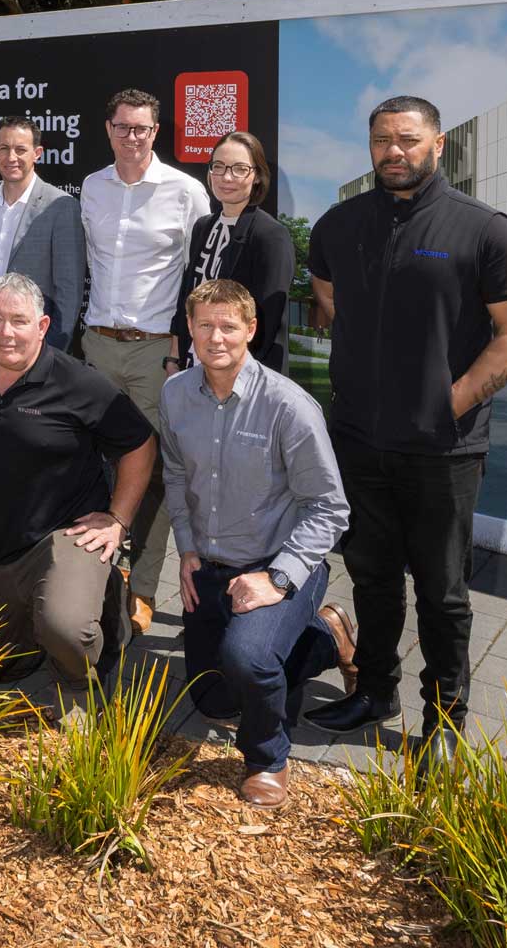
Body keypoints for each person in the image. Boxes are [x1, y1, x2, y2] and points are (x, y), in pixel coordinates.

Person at [303, 95, 507, 772]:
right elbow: (329, 298)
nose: (394, 151)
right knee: (371, 576)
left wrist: (449, 402)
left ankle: (445, 720)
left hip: (444, 449)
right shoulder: (339, 224)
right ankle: (374, 691)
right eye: (382, 139)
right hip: (359, 440)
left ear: (438, 145)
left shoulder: (484, 229)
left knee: (443, 592)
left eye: (408, 139)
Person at [160, 279, 356, 808]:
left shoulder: (288, 406)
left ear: (251, 329)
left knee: (247, 659)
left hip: (278, 563)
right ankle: (324, 636)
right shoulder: (175, 394)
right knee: (213, 698)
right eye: (204, 325)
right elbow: (175, 473)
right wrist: (187, 549)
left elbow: (330, 508)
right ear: (189, 328)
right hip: (210, 563)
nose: (215, 337)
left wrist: (277, 578)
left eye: (228, 326)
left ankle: (267, 758)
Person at [0, 272, 156, 715]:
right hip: (0, 540)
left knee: (65, 631)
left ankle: (81, 679)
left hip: (67, 534)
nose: (6, 332)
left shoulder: (78, 382)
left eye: (19, 320)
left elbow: (141, 444)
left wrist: (118, 519)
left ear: (42, 326)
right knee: (6, 656)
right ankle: (46, 631)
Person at [79, 88, 210, 637]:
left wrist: (182, 349)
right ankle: (91, 574)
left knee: (152, 468)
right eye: (123, 127)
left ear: (156, 132)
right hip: (96, 343)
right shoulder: (91, 187)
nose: (132, 137)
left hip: (156, 350)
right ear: (108, 129)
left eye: (142, 129)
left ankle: (144, 588)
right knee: (92, 462)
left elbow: (200, 276)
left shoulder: (186, 191)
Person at [168, 131, 296, 374]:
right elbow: (187, 296)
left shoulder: (271, 235)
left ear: (257, 176)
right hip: (193, 366)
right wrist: (174, 358)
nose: (226, 177)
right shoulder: (203, 226)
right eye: (219, 166)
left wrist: (231, 376)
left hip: (239, 374)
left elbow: (267, 322)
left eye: (239, 169)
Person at [0, 115, 85, 353]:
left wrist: (53, 351)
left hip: (34, 342)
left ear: (37, 153)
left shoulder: (61, 206)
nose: (11, 157)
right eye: (4, 148)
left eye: (20, 149)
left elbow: (69, 290)